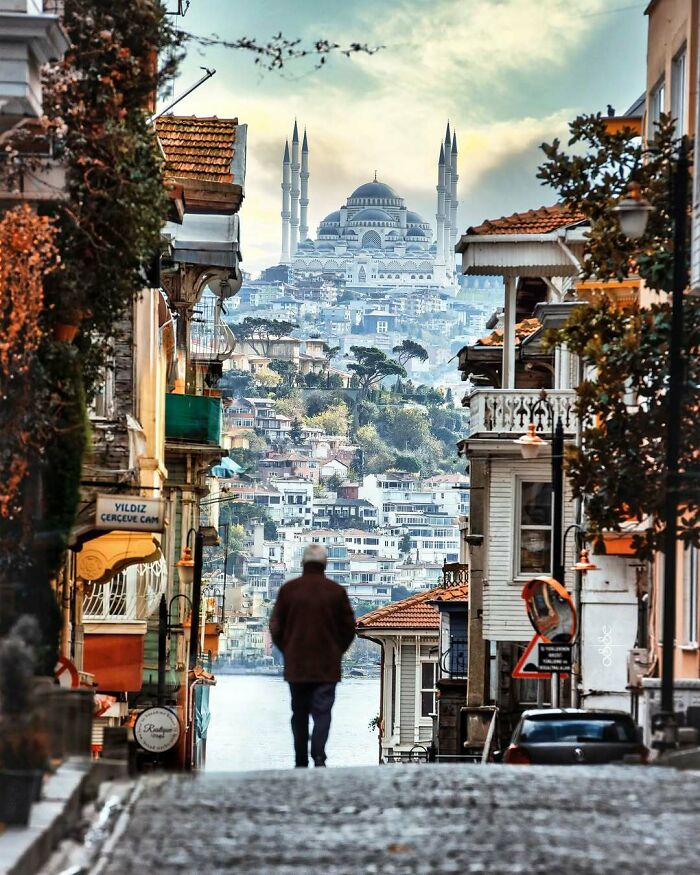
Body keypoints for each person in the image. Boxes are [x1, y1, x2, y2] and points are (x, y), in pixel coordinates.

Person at [269, 543, 356, 768]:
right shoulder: (336, 592)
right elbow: (348, 628)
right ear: (325, 564)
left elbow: (276, 626)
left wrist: (287, 650)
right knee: (322, 712)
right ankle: (318, 754)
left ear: (303, 564)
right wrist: (337, 651)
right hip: (327, 666)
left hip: (297, 665)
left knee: (299, 712)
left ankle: (300, 758)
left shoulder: (289, 590)